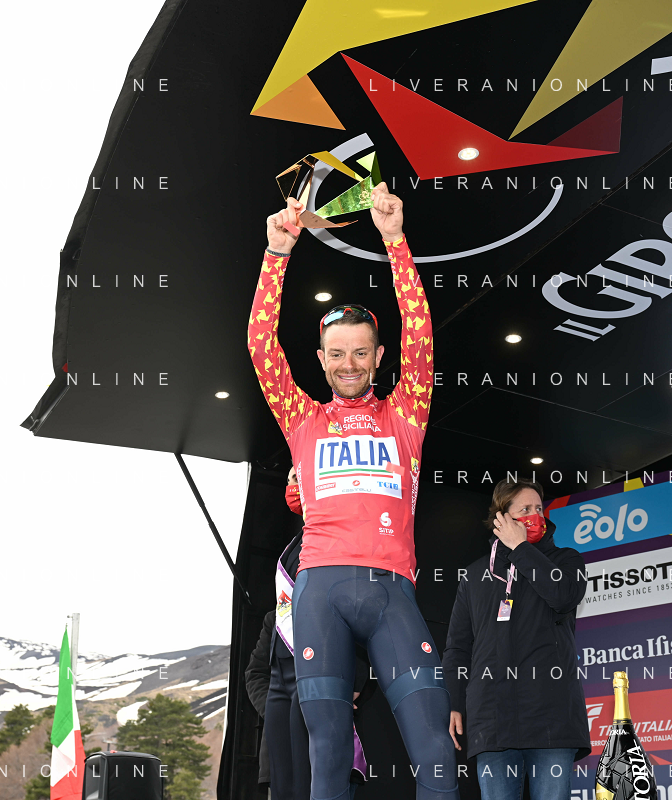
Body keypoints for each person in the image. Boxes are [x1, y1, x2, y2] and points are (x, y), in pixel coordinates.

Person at [248, 186, 458, 800]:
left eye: (360, 353)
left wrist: (395, 241)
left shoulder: (405, 413)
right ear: (320, 358)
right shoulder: (302, 418)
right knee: (329, 756)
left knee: (435, 751)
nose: (349, 364)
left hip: (392, 591)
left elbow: (422, 335)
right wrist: (276, 255)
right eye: (337, 354)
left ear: (378, 355)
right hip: (319, 589)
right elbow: (262, 348)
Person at [442, 479, 590, 800]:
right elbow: (458, 647)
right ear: (502, 518)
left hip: (551, 717)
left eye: (539, 508)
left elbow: (563, 596)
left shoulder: (567, 561)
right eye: (525, 509)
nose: (535, 515)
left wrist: (521, 549)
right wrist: (453, 702)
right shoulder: (475, 575)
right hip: (492, 719)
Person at [243, 467, 371, 800]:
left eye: (298, 478)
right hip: (280, 718)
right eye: (289, 480)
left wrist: (352, 681)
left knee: (316, 784)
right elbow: (256, 672)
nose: (292, 486)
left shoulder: (339, 541)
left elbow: (359, 619)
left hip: (319, 703)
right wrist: (278, 707)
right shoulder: (289, 556)